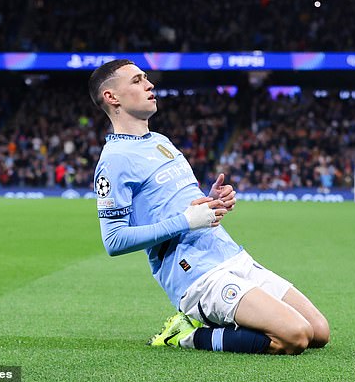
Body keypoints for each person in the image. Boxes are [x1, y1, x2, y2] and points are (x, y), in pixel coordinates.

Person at [88, 59, 329, 355]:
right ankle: (186, 335)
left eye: (146, 78)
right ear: (111, 97)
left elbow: (177, 202)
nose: (150, 85)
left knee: (319, 332)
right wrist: (186, 221)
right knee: (295, 336)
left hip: (229, 254)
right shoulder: (115, 160)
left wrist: (214, 200)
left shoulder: (160, 141)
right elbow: (114, 241)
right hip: (195, 274)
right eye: (137, 81)